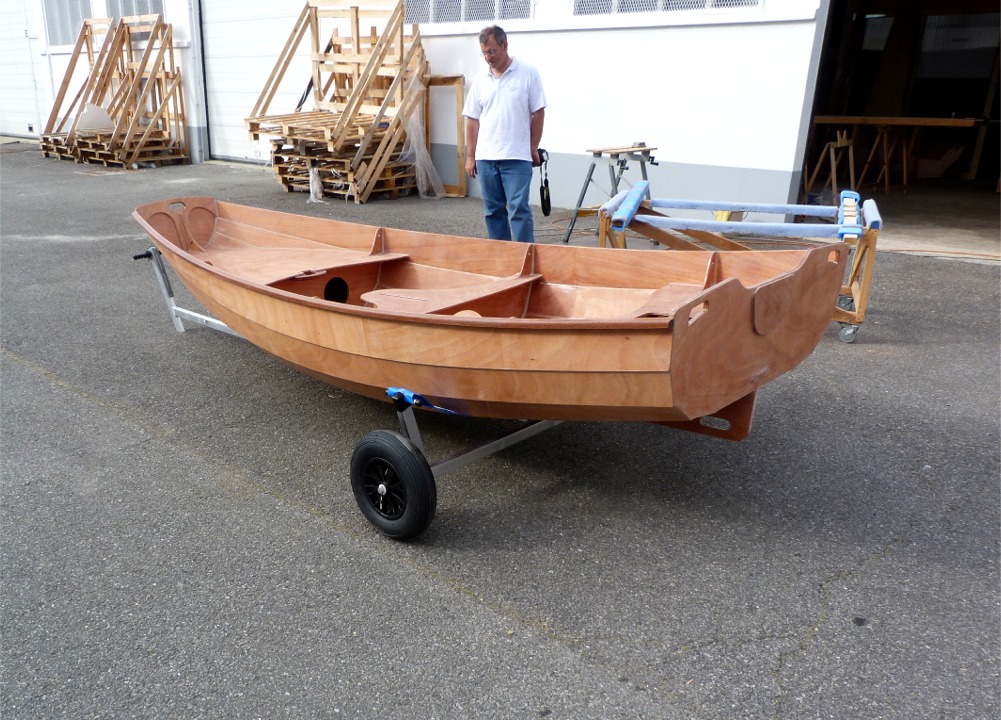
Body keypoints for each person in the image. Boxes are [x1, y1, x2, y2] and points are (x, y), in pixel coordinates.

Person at [462, 26, 546, 243]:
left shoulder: (527, 73)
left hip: (517, 157)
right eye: (484, 53)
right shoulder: (481, 78)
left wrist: (533, 147)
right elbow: (472, 118)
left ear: (504, 45)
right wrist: (470, 156)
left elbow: (538, 112)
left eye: (492, 51)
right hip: (487, 158)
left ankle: (525, 259)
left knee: (519, 210)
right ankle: (502, 260)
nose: (488, 58)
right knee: (492, 211)